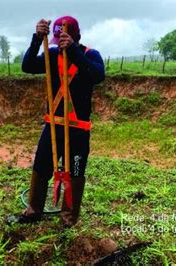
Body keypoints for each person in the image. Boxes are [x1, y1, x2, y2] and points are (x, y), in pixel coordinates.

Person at [8, 16, 105, 227]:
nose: (58, 43)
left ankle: (68, 218)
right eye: (57, 38)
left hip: (78, 130)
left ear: (76, 35)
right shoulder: (52, 54)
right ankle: (33, 211)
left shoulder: (90, 55)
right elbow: (28, 66)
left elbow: (97, 75)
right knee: (41, 166)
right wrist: (36, 39)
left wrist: (73, 51)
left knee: (76, 172)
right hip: (53, 125)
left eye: (64, 38)